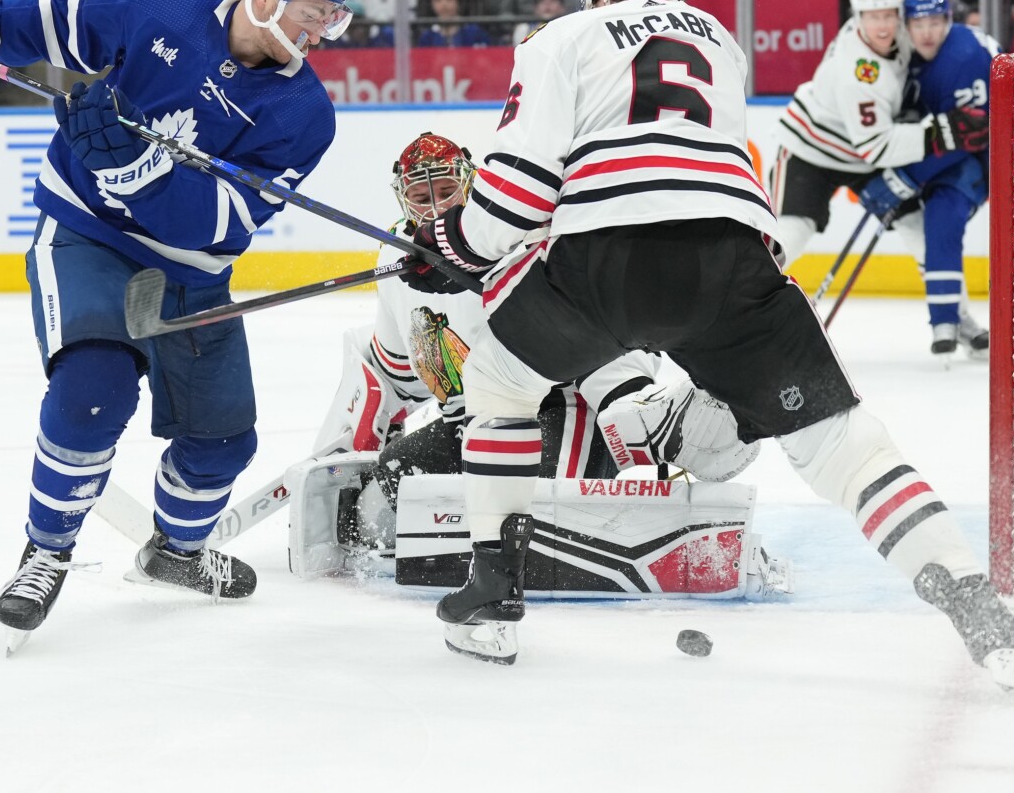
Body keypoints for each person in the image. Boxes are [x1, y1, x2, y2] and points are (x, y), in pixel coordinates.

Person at [402, 0, 1014, 687]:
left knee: (499, 388)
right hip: (733, 262)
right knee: (844, 444)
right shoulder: (721, 41)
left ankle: (492, 597)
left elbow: (514, 200)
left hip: (608, 267)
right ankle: (977, 607)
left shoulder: (563, 36)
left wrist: (449, 246)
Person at [0, 0, 357, 647]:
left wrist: (136, 170)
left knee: (222, 444)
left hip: (190, 268)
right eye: (315, 11)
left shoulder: (305, 115)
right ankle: (46, 551)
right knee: (93, 388)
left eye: (334, 14)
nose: (326, 29)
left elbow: (221, 222)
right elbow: (52, 21)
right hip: (86, 231)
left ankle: (178, 552)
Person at [308, 132, 759, 564]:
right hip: (472, 420)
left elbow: (589, 316)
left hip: (559, 404)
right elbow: (400, 373)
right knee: (397, 473)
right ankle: (474, 548)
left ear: (469, 184)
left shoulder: (508, 232)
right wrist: (364, 429)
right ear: (403, 199)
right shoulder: (399, 260)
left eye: (446, 191)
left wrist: (625, 395)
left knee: (532, 504)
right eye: (423, 198)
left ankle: (659, 434)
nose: (436, 206)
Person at [855, 0, 997, 357]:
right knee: (941, 214)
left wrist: (907, 177)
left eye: (936, 21)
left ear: (949, 20)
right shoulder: (903, 54)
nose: (928, 32)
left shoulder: (964, 55)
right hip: (964, 155)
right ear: (906, 24)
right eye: (919, 23)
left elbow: (973, 132)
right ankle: (947, 322)